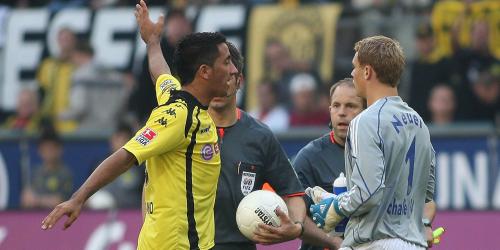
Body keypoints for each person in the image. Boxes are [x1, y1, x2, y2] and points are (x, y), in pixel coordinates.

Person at [41, 1, 237, 250]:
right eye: (227, 62)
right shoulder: (179, 117)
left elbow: (160, 73)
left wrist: (153, 41)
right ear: (205, 72)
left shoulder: (176, 97)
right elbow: (125, 155)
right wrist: (78, 199)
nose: (233, 70)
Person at [309, 36, 436, 250]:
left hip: (375, 243)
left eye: (354, 67)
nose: (351, 74)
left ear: (367, 72)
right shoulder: (418, 122)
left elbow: (369, 192)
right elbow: (428, 189)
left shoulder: (365, 121)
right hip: (415, 243)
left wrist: (336, 206)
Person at [207, 42, 306, 249]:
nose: (218, 86)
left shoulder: (260, 136)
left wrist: (295, 226)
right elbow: (151, 188)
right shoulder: (183, 129)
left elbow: (292, 193)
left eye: (225, 77)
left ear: (239, 81)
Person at [293, 78, 366, 250]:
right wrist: (334, 242)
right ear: (330, 110)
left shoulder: (380, 154)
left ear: (366, 111)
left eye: (350, 106)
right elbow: (297, 217)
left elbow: (423, 201)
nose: (342, 112)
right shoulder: (309, 157)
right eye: (336, 105)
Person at [21, 129, 73, 209]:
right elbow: (26, 200)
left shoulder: (65, 174)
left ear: (59, 150)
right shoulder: (35, 172)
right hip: (33, 218)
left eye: (51, 148)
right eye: (45, 149)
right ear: (39, 150)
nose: (48, 152)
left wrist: (37, 200)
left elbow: (60, 201)